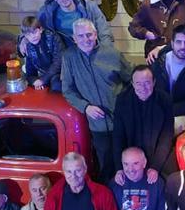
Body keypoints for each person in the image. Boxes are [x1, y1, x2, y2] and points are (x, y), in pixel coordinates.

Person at [61, 18, 132, 179]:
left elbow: (130, 79)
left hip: (122, 121)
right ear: (74, 38)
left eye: (89, 34)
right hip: (98, 125)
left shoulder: (112, 53)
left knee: (127, 163)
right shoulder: (69, 57)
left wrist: (125, 105)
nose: (85, 39)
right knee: (106, 166)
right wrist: (86, 107)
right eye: (81, 36)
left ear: (95, 34)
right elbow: (68, 90)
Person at [111, 66, 175, 174]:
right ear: (132, 83)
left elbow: (166, 137)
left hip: (157, 155)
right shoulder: (122, 100)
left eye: (147, 83)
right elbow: (118, 136)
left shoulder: (165, 100)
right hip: (131, 157)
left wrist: (155, 167)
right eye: (138, 83)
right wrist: (120, 168)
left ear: (154, 82)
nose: (143, 88)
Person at [149, 24, 185, 134]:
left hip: (183, 113)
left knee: (167, 129)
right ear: (172, 43)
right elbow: (150, 92)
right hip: (157, 111)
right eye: (178, 42)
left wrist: (166, 111)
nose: (182, 47)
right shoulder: (158, 61)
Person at [36, 0, 114, 47]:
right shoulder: (46, 12)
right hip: (62, 56)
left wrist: (106, 53)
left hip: (90, 52)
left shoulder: (90, 7)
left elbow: (104, 32)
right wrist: (24, 40)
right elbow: (32, 28)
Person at [17, 15, 63, 91]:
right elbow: (30, 72)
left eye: (35, 32)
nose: (33, 36)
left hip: (59, 72)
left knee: (56, 85)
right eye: (29, 34)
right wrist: (35, 81)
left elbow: (58, 62)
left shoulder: (53, 38)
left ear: (41, 30)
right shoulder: (28, 47)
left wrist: (43, 80)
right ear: (25, 36)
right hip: (43, 74)